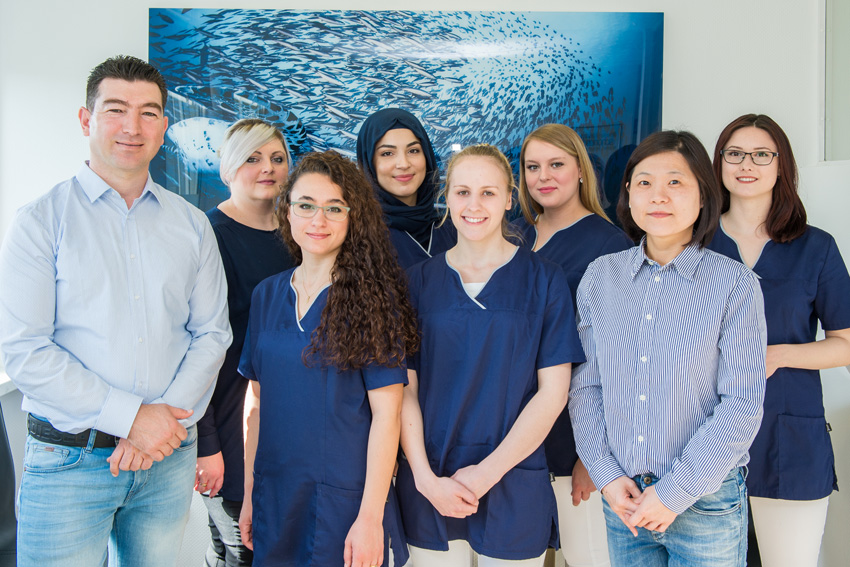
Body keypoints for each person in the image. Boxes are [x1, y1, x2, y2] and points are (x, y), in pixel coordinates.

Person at [0, 55, 232, 567]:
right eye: (115, 109)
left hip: (168, 460)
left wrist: (158, 428)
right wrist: (133, 419)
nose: (132, 126)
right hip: (70, 462)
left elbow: (212, 334)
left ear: (164, 127)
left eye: (148, 113)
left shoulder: (192, 226)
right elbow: (27, 351)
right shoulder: (40, 222)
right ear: (86, 120)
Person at [569, 130, 767, 567]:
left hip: (705, 501)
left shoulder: (734, 284)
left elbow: (742, 403)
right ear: (628, 194)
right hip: (624, 497)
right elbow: (586, 386)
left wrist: (673, 493)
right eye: (644, 182)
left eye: (675, 182)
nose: (658, 196)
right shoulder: (600, 277)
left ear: (703, 195)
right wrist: (605, 474)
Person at [397, 144, 586, 567]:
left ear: (509, 198)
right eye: (463, 192)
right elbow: (403, 390)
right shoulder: (417, 282)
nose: (474, 205)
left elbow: (553, 393)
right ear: (447, 197)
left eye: (488, 192)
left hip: (512, 479)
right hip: (432, 481)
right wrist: (425, 479)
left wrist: (486, 473)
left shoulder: (544, 279)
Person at [237, 151, 417, 567]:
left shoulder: (373, 301)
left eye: (334, 208)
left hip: (345, 502)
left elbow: (387, 416)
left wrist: (370, 518)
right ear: (287, 211)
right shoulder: (267, 295)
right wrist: (249, 494)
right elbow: (257, 406)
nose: (318, 220)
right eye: (306, 205)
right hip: (275, 496)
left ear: (353, 218)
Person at [707, 114, 850, 567]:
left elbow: (845, 343)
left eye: (761, 154)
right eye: (734, 153)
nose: (746, 164)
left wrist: (776, 355)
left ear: (781, 164)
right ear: (719, 163)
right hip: (700, 438)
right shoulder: (693, 243)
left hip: (790, 437)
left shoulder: (816, 247)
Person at [513, 124, 633, 567]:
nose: (543, 176)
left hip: (576, 433)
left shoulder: (610, 245)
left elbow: (620, 358)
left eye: (556, 164)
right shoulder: (511, 237)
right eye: (532, 167)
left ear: (581, 169)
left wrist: (593, 454)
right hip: (515, 431)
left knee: (587, 556)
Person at [194, 118, 295, 567]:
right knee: (243, 551)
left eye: (277, 158)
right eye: (253, 158)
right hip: (227, 425)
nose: (267, 168)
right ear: (229, 167)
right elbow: (193, 346)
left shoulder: (299, 233)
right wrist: (206, 442)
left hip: (283, 424)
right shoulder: (208, 236)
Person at [356, 108, 456, 269]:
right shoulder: (356, 239)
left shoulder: (454, 230)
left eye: (413, 150)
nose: (403, 164)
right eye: (387, 153)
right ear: (369, 163)